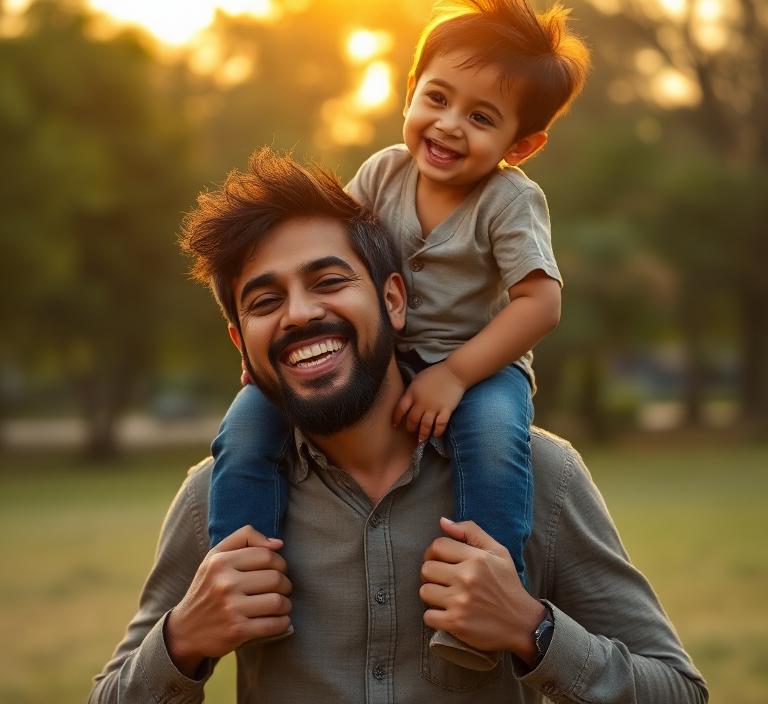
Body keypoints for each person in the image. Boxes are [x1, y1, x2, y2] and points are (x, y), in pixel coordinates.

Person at [89, 149, 708, 703]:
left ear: (393, 300)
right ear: (240, 342)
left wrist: (533, 630)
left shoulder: (543, 476)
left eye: (329, 281)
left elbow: (679, 691)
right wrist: (182, 640)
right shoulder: (212, 498)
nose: (299, 313)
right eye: (265, 301)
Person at [208, 0, 589, 667]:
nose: (449, 125)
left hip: (479, 367)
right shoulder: (383, 173)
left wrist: (455, 375)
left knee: (493, 448)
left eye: (481, 117)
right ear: (410, 91)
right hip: (378, 354)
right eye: (437, 98)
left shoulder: (509, 200)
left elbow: (541, 304)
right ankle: (245, 582)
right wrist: (268, 347)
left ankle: (480, 604)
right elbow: (325, 254)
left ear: (522, 144)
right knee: (243, 427)